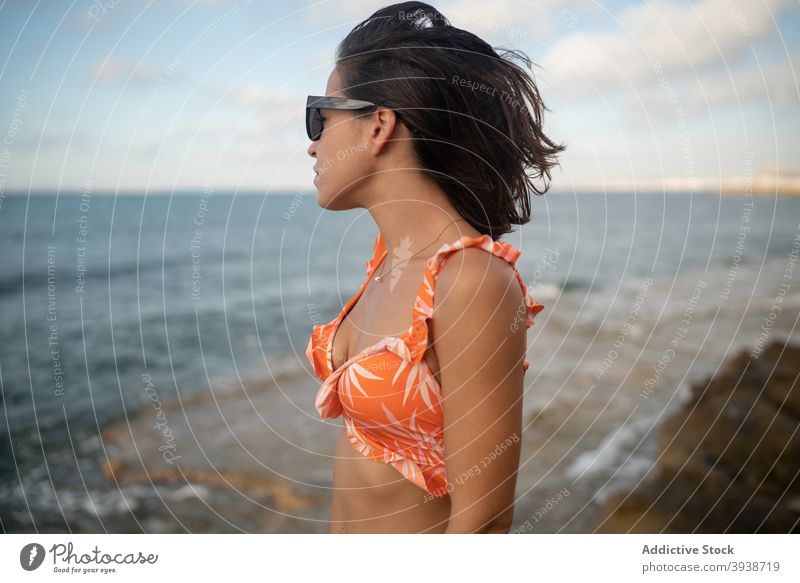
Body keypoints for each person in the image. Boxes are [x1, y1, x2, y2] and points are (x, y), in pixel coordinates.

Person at [304, 1, 562, 533]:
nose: (312, 144)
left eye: (319, 116)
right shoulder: (390, 259)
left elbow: (483, 520)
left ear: (378, 125)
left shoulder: (469, 281)